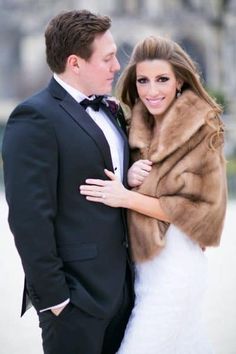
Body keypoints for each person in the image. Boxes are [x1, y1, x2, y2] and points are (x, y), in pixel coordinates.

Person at [80, 35, 227, 353]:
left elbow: (198, 210)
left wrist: (125, 196)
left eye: (162, 79)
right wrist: (130, 176)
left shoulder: (200, 129)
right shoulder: (137, 124)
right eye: (143, 80)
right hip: (142, 274)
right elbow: (150, 183)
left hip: (175, 271)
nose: (151, 90)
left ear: (179, 81)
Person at [2, 10, 134, 354]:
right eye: (107, 58)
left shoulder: (111, 109)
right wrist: (56, 299)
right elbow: (29, 218)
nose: (117, 66)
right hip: (75, 302)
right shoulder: (34, 117)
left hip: (125, 293)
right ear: (75, 63)